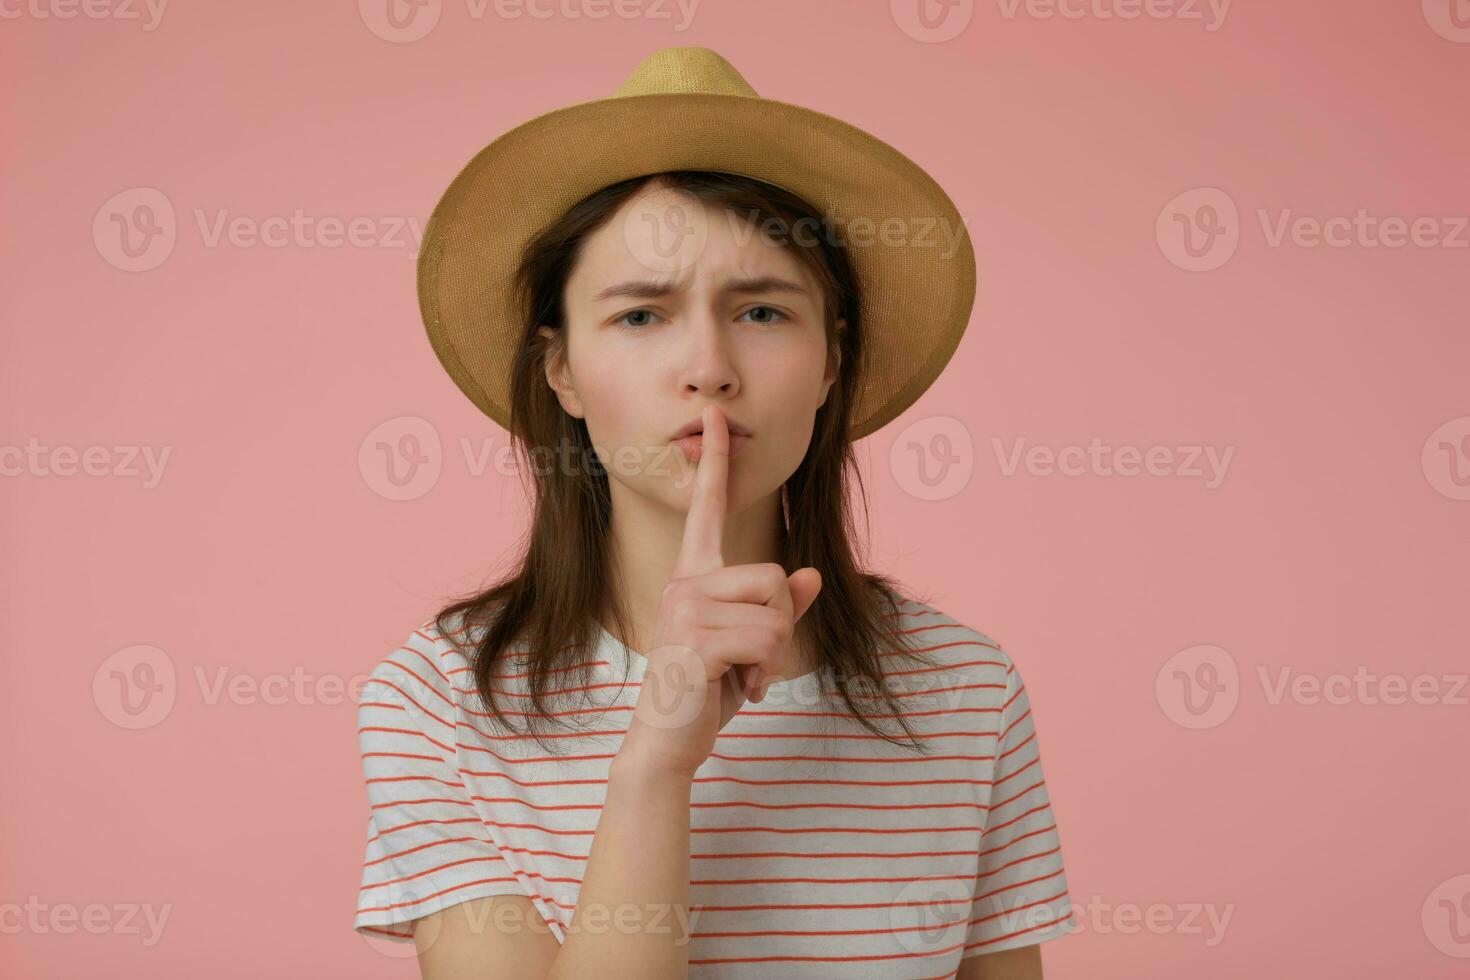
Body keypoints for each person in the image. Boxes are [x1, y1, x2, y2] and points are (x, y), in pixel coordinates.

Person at [353, 46, 1075, 978]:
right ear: (561, 369)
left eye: (763, 311)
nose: (710, 367)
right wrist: (657, 761)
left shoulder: (968, 689)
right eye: (641, 315)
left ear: (830, 361)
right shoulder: (439, 699)